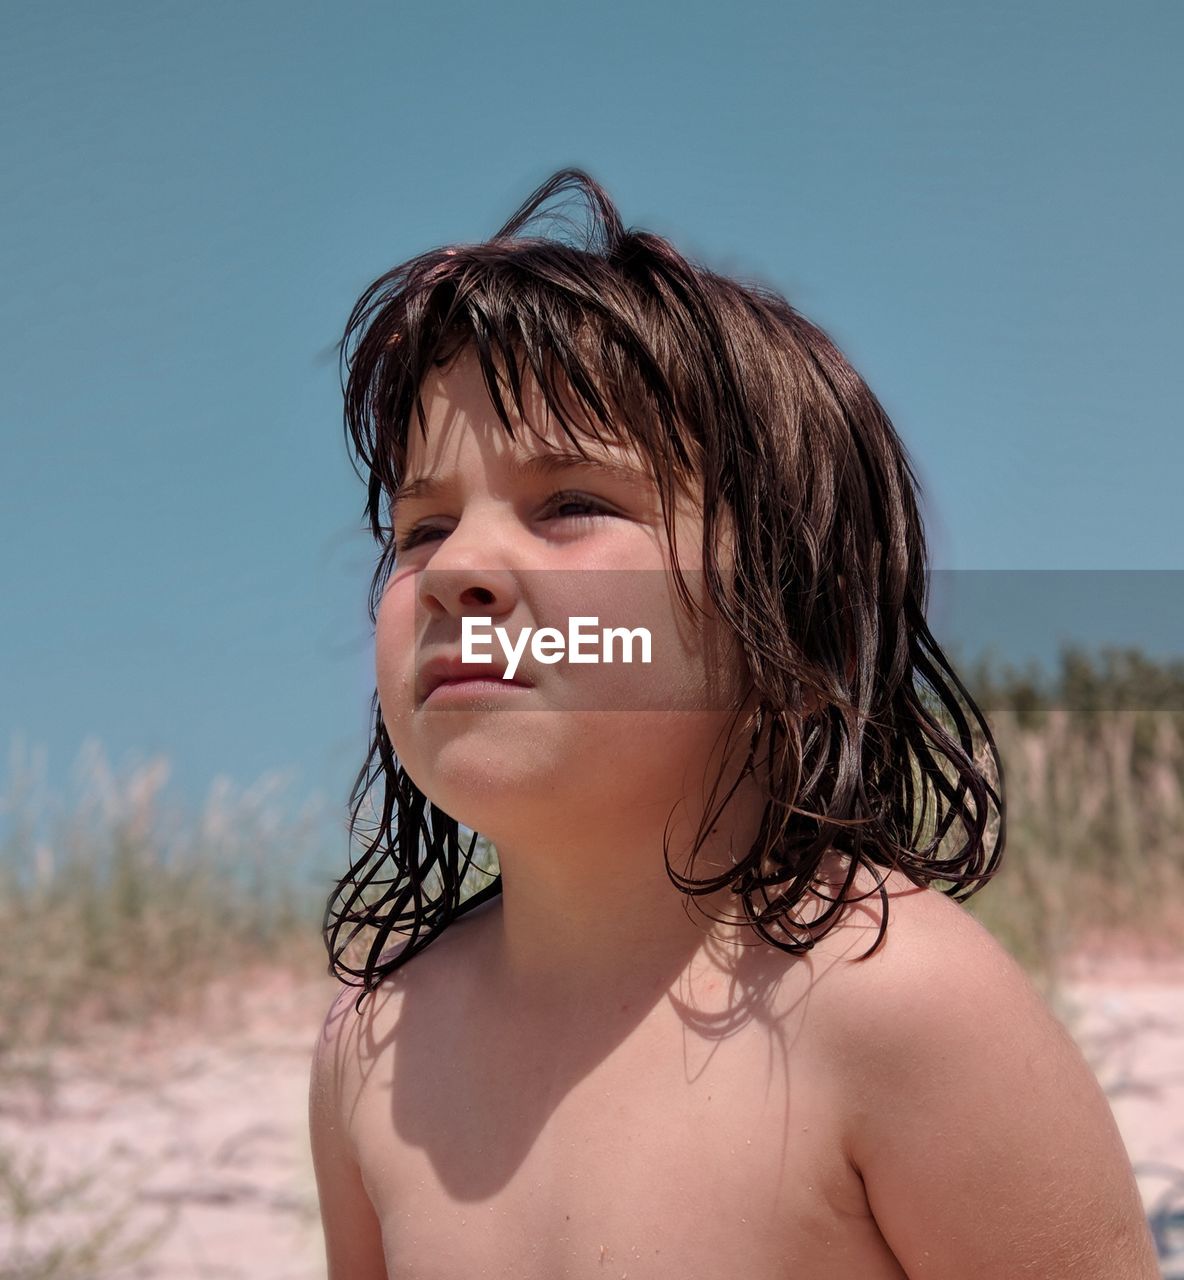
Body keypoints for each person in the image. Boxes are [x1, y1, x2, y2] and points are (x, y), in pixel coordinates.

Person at [308, 168, 1159, 1278]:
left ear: (786, 616)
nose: (457, 568)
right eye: (421, 528)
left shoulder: (893, 1006)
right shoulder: (372, 1057)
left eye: (571, 504)